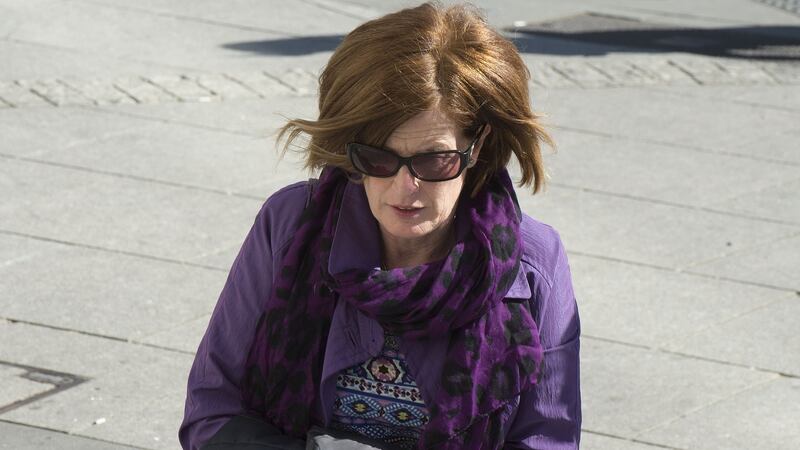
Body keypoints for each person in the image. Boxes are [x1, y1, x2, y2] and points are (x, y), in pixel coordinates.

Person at [179, 3, 581, 449]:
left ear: (478, 148)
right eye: (378, 158)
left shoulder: (535, 261)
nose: (404, 188)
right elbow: (212, 413)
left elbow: (548, 440)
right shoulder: (291, 223)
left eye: (433, 159)